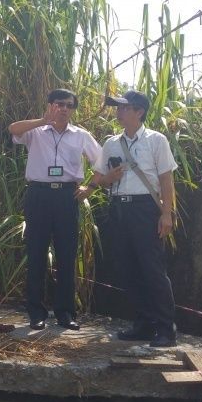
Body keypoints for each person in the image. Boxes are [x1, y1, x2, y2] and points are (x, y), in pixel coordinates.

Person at [85, 90, 178, 347]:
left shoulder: (156, 140)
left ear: (139, 111)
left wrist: (166, 213)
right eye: (118, 107)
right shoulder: (111, 143)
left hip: (145, 209)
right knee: (127, 268)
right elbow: (100, 179)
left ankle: (166, 329)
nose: (119, 111)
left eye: (124, 108)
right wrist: (108, 179)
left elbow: (166, 179)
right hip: (118, 208)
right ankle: (143, 324)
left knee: (152, 268)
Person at [8, 89, 103, 330]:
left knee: (67, 255)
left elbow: (102, 162)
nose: (64, 109)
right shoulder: (36, 131)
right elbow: (13, 129)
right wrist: (43, 120)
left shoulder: (81, 135)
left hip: (66, 196)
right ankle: (36, 313)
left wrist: (90, 187)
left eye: (69, 105)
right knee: (36, 253)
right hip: (38, 194)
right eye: (59, 104)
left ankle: (65, 313)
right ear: (50, 105)